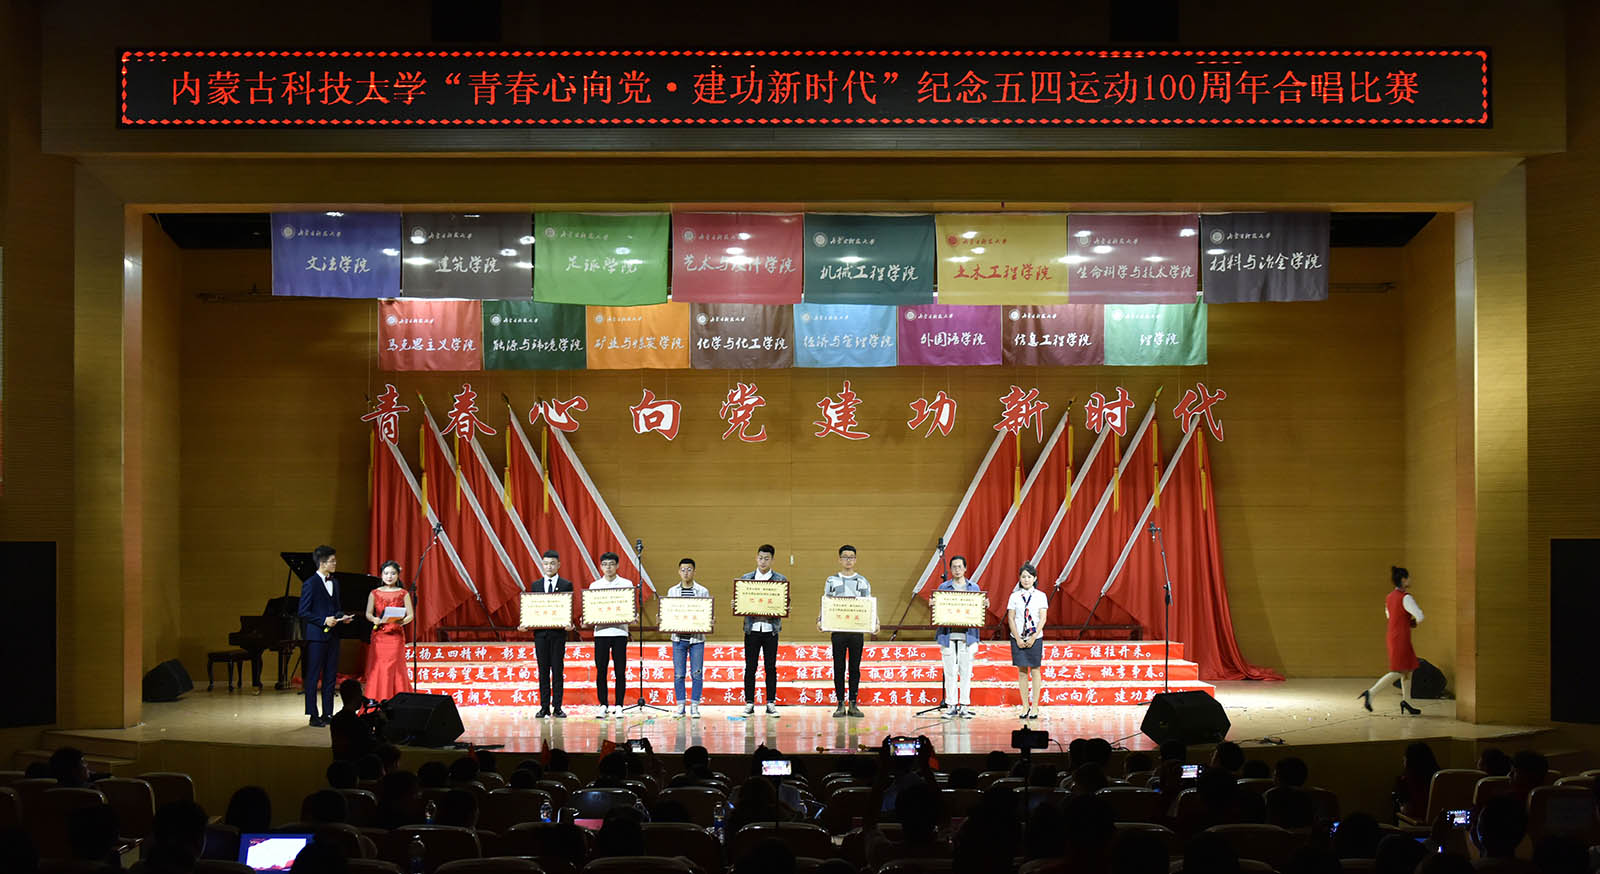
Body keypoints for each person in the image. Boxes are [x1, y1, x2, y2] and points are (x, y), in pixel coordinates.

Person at [299, 545, 353, 727]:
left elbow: (336, 608)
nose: (335, 563)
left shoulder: (335, 582)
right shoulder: (310, 583)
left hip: (333, 636)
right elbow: (303, 612)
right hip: (316, 637)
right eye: (332, 561)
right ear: (322, 563)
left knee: (331, 676)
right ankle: (313, 715)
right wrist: (323, 620)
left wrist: (342, 617)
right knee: (313, 676)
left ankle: (327, 713)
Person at [1359, 565, 1423, 715]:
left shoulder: (1389, 597)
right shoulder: (1406, 597)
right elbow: (1420, 616)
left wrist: (1404, 621)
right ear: (1403, 580)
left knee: (1408, 670)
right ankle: (1371, 692)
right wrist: (1412, 622)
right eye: (1408, 577)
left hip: (1393, 635)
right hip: (1402, 637)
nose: (1410, 580)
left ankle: (1407, 701)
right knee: (1399, 671)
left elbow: (1390, 616)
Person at [518, 550, 573, 719]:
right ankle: (544, 707)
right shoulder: (535, 585)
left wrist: (569, 623)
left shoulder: (566, 584)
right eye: (546, 564)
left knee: (557, 671)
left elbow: (568, 608)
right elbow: (532, 609)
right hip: (540, 635)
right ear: (542, 565)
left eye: (552, 563)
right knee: (543, 672)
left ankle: (557, 707)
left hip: (558, 635)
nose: (549, 566)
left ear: (558, 565)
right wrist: (526, 624)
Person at [820, 544, 871, 718]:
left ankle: (853, 704)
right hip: (838, 630)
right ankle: (840, 703)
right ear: (839, 559)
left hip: (856, 631)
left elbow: (868, 604)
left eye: (851, 557)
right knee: (839, 667)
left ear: (855, 560)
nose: (848, 560)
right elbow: (826, 602)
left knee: (855, 667)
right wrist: (821, 619)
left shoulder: (862, 581)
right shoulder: (831, 580)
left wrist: (874, 622)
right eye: (845, 557)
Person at [740, 544, 788, 717]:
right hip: (752, 629)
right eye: (760, 558)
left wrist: (785, 606)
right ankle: (749, 703)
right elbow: (741, 602)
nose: (763, 561)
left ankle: (770, 703)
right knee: (750, 667)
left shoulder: (780, 580)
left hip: (770, 630)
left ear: (772, 560)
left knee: (770, 667)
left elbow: (784, 603)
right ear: (756, 558)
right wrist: (737, 604)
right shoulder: (746, 579)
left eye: (767, 558)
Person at [588, 551, 633, 719]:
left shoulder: (626, 584)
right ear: (601, 566)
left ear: (617, 565)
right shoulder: (594, 586)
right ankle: (603, 705)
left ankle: (619, 705)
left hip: (620, 632)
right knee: (601, 670)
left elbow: (630, 607)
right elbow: (591, 609)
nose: (608, 568)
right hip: (601, 633)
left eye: (612, 564)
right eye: (605, 565)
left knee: (620, 670)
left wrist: (632, 615)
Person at [935, 555, 981, 719]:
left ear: (965, 568)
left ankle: (964, 705)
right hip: (948, 635)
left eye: (960, 566)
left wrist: (984, 605)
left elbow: (979, 609)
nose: (957, 569)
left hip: (968, 636)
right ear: (950, 569)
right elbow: (938, 610)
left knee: (966, 671)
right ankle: (951, 705)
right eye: (954, 567)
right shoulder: (943, 587)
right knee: (950, 672)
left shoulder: (973, 588)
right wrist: (934, 605)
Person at [361, 559, 413, 703]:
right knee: (379, 666)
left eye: (392, 573)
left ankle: (397, 700)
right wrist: (374, 619)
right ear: (381, 575)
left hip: (396, 635)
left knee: (395, 667)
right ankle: (378, 699)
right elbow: (368, 613)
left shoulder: (403, 593)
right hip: (380, 635)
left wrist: (403, 621)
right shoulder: (374, 593)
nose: (389, 576)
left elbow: (410, 615)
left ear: (398, 575)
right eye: (386, 573)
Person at [668, 558, 710, 718]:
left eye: (689, 569)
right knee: (679, 674)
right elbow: (669, 612)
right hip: (678, 639)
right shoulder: (672, 591)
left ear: (694, 571)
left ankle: (694, 706)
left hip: (696, 639)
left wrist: (709, 621)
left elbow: (706, 613)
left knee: (697, 673)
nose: (686, 573)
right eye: (683, 570)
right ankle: (680, 705)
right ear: (679, 572)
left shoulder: (702, 591)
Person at [1007, 562, 1048, 719]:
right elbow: (1011, 618)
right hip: (1017, 637)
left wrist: (1033, 637)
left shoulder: (1040, 596)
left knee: (1035, 670)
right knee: (1022, 671)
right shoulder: (1014, 596)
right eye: (1023, 577)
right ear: (1019, 578)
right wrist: (1017, 638)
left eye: (1029, 577)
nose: (1026, 580)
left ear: (1035, 578)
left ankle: (1035, 706)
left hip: (1035, 637)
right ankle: (1025, 706)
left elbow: (1043, 618)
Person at [328, 678, 383, 762]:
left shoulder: (335, 719)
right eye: (361, 694)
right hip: (357, 765)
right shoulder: (358, 723)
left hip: (340, 763)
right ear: (357, 696)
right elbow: (373, 746)